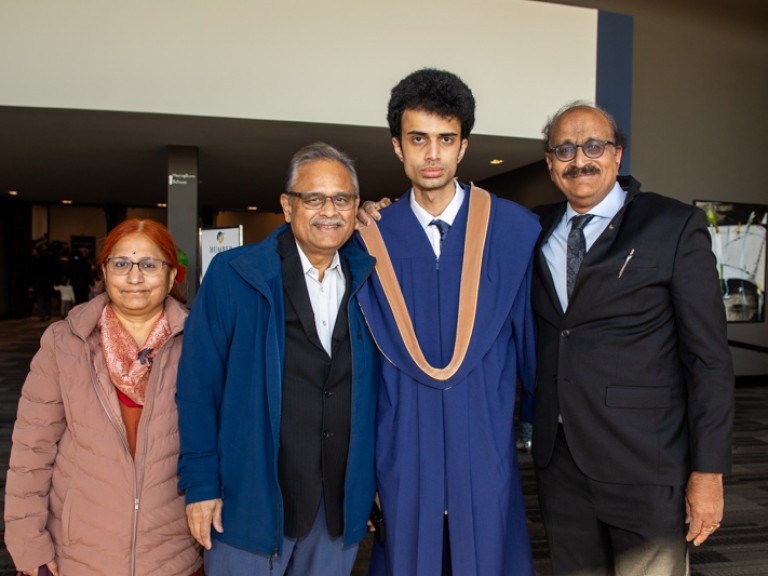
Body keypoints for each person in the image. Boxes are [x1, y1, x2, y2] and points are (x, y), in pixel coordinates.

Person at [531, 102, 734, 575]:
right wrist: (379, 214)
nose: (579, 159)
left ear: (618, 155)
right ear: (549, 163)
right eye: (564, 149)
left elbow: (708, 359)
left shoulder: (673, 225)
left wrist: (708, 472)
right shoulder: (531, 228)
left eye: (593, 145)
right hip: (560, 464)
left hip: (646, 463)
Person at [355, 68, 539, 575]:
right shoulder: (370, 240)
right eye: (418, 139)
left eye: (445, 139)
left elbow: (532, 352)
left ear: (463, 146)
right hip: (402, 444)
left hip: (484, 443)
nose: (432, 154)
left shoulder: (513, 231)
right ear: (397, 146)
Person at [176, 142, 379, 576]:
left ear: (356, 207)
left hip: (335, 512)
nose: (329, 210)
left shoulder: (373, 280)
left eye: (341, 199)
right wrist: (200, 485)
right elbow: (197, 390)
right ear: (288, 206)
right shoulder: (234, 275)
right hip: (248, 503)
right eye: (314, 198)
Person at [5, 219, 202, 576]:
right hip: (79, 555)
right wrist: (27, 541)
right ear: (104, 272)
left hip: (173, 552)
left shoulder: (199, 343)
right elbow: (31, 450)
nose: (134, 277)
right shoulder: (64, 342)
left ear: (173, 276)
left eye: (149, 264)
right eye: (121, 263)